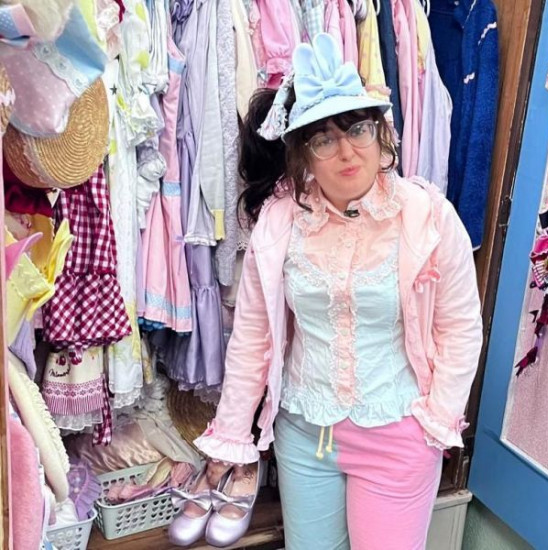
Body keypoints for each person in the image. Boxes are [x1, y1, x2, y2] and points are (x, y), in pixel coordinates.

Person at [171, 33, 482, 550]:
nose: (346, 151)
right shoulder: (280, 222)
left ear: (380, 132)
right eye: (323, 139)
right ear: (303, 155)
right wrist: (231, 436)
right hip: (304, 435)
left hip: (398, 432)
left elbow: (460, 327)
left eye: (358, 128)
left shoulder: (426, 215)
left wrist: (435, 421)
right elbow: (252, 338)